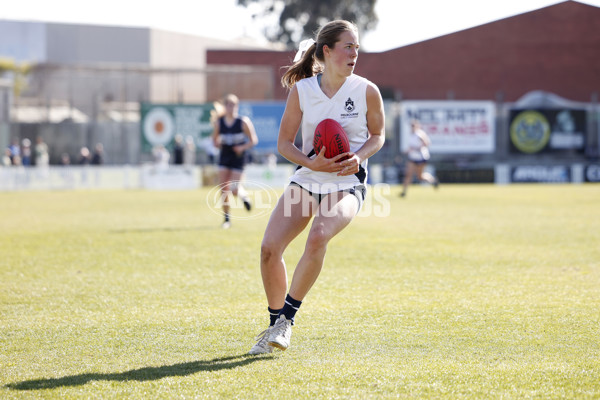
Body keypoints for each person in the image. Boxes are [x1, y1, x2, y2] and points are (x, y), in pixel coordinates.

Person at [248, 20, 385, 354]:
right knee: (269, 249)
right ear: (327, 50)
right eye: (348, 46)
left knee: (320, 234)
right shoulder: (303, 90)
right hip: (308, 178)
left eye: (357, 47)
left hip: (347, 181)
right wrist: (311, 163)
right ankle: (273, 326)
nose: (354, 53)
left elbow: (378, 136)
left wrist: (359, 156)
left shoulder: (367, 90)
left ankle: (286, 322)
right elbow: (284, 143)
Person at [211, 93, 258, 229]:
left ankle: (244, 198)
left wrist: (241, 147)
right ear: (225, 106)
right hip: (224, 157)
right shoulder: (219, 123)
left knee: (234, 188)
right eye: (228, 105)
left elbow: (253, 140)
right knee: (224, 189)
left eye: (233, 105)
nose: (231, 108)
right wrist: (217, 143)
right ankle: (227, 219)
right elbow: (214, 140)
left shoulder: (243, 122)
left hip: (238, 158)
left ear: (237, 106)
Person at [400, 119, 438, 197]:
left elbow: (426, 143)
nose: (412, 127)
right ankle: (404, 192)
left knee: (420, 176)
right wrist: (407, 151)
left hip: (421, 157)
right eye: (411, 126)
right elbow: (411, 147)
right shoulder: (411, 135)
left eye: (413, 126)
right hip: (412, 158)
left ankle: (433, 180)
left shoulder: (419, 134)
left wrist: (417, 148)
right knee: (408, 174)